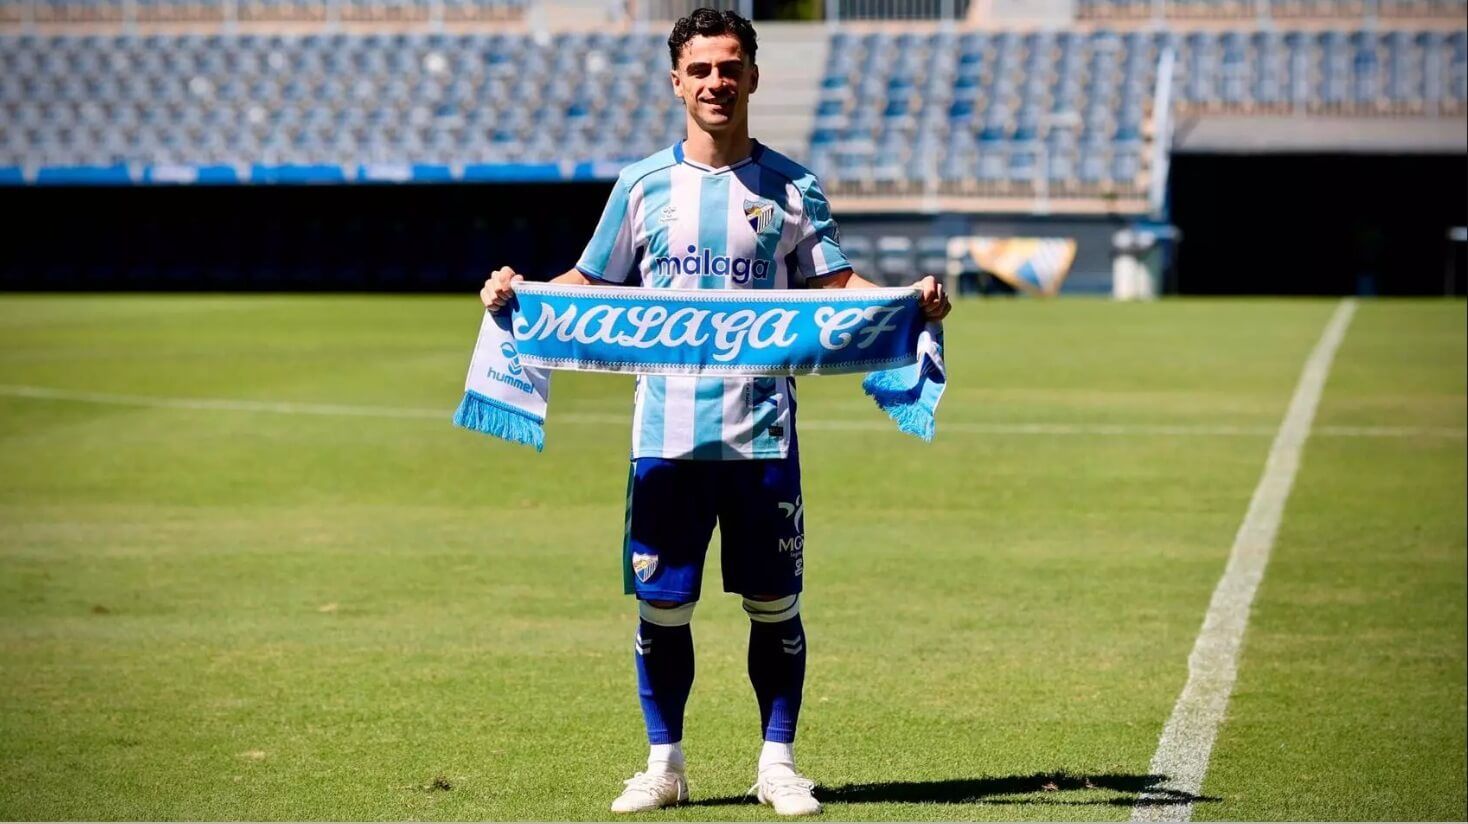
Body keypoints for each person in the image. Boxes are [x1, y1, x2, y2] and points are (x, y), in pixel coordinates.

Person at [480, 8, 951, 815]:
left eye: (729, 68)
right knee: (662, 608)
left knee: (776, 608)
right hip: (663, 436)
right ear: (676, 82)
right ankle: (665, 766)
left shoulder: (793, 186)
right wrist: (517, 295)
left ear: (753, 77)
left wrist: (912, 303)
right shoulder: (642, 186)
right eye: (699, 71)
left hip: (763, 434)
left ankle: (776, 765)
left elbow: (834, 287)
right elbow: (591, 286)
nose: (715, 83)